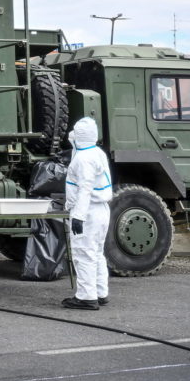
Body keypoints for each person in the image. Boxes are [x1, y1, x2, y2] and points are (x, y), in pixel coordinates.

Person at [62, 117, 113, 310]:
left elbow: (84, 189)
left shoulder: (82, 160)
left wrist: (78, 217)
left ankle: (86, 297)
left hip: (88, 211)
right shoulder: (95, 152)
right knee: (97, 253)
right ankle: (100, 292)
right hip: (100, 209)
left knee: (83, 253)